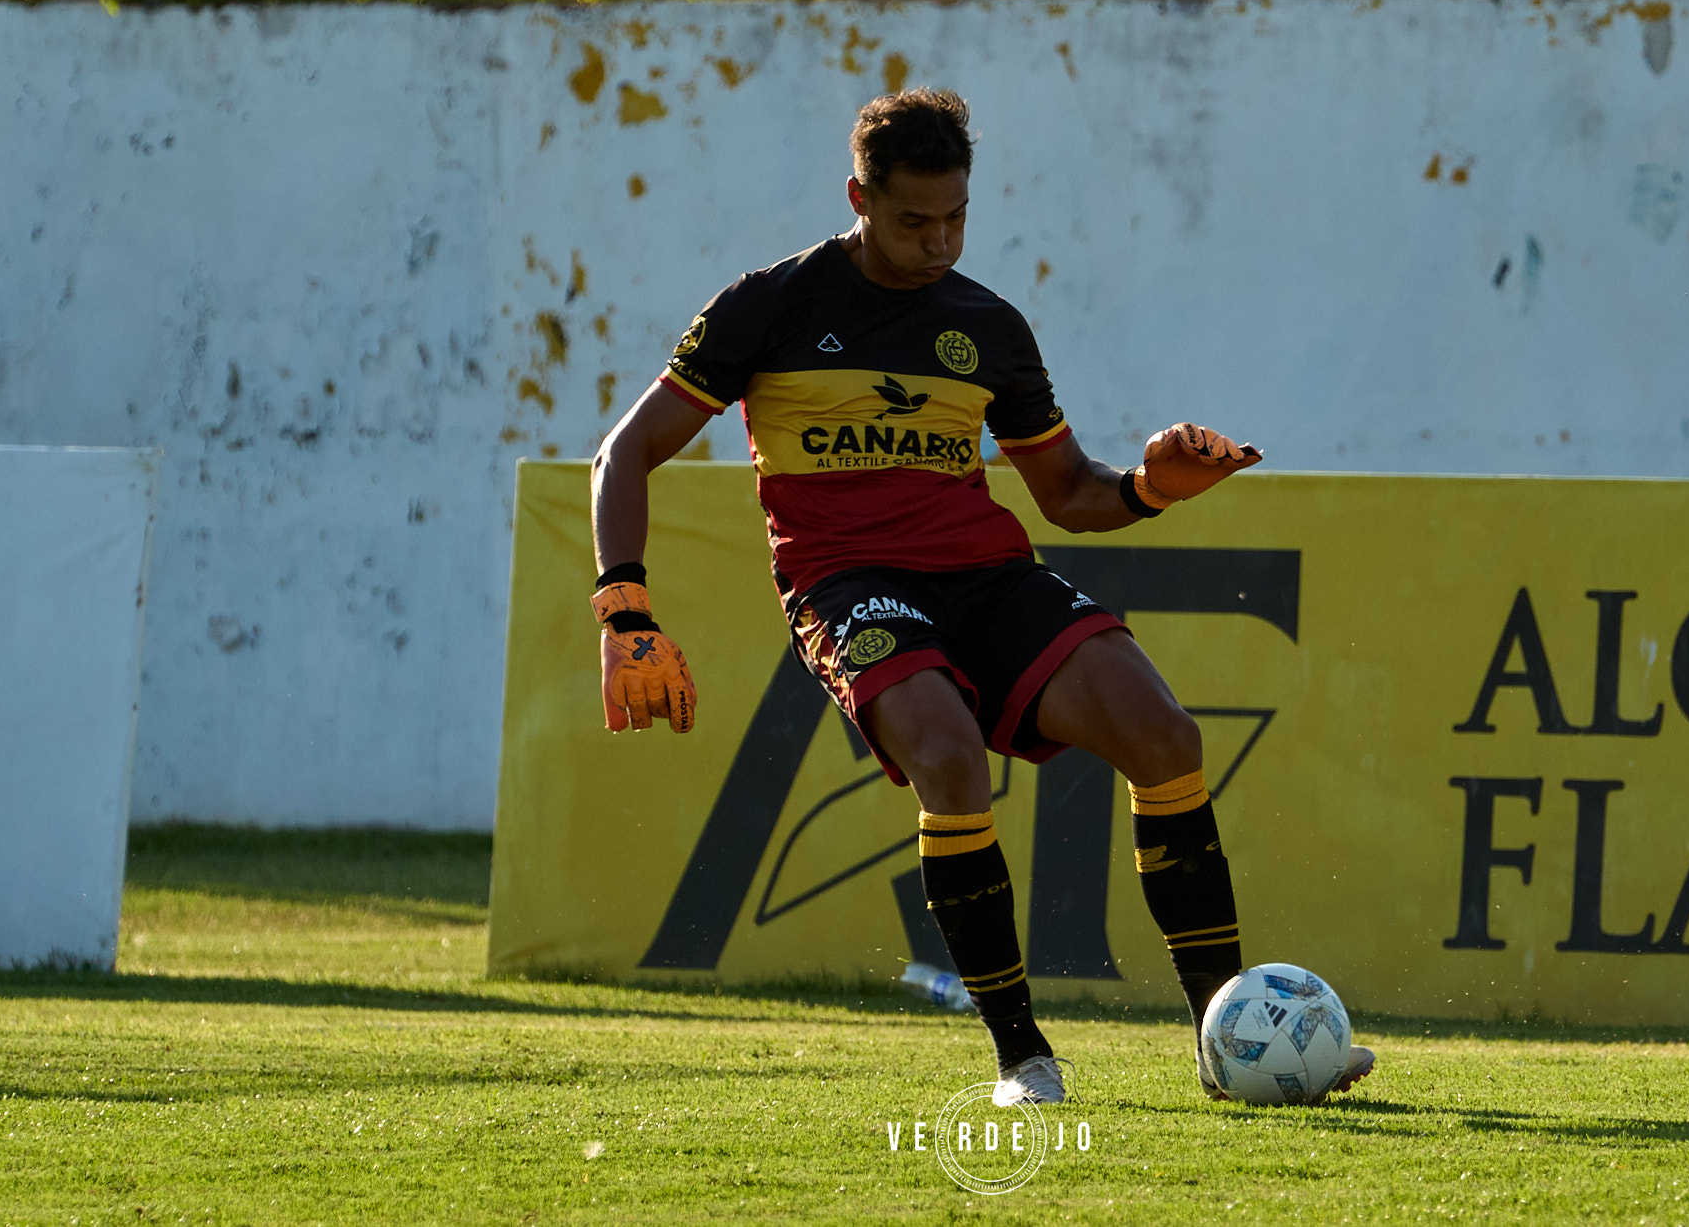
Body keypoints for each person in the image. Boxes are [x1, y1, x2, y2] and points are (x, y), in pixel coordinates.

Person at [588, 88, 1374, 1107]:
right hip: (848, 585)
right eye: (913, 220)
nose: (937, 242)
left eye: (955, 217)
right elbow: (625, 452)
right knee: (950, 757)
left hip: (986, 578)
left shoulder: (986, 326)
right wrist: (625, 611)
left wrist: (1147, 491)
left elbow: (1067, 494)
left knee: (1165, 737)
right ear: (857, 199)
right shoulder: (770, 305)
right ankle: (1021, 1060)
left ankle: (1225, 1044)